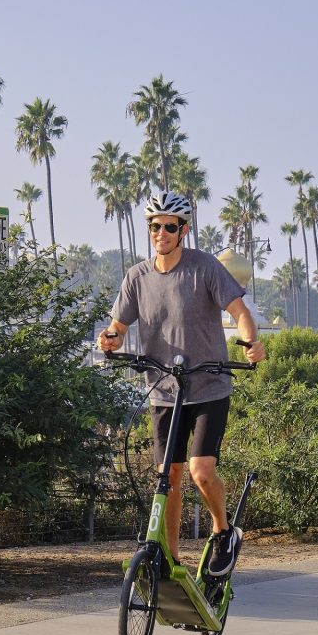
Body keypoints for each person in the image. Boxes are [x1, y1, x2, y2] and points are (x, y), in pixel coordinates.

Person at [97, 191, 266, 577]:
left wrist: (250, 342)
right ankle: (168, 558)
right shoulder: (136, 278)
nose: (161, 233)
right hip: (163, 390)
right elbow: (118, 327)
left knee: (200, 471)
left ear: (183, 230)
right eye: (154, 226)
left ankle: (223, 532)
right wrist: (109, 339)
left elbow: (239, 311)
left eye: (169, 227)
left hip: (208, 386)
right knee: (167, 475)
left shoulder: (204, 268)